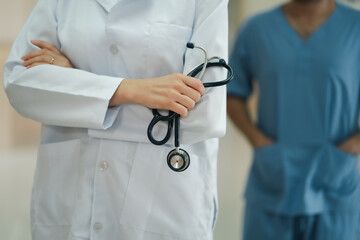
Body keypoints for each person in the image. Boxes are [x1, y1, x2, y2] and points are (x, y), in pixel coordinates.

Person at [3, 0, 229, 239]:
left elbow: (203, 115)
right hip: (71, 201)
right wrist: (128, 90)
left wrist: (74, 88)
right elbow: (20, 84)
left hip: (162, 206)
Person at [227, 0, 360, 239]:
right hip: (274, 178)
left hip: (335, 180)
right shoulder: (256, 29)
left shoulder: (355, 27)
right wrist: (257, 140)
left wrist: (354, 144)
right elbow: (232, 92)